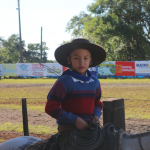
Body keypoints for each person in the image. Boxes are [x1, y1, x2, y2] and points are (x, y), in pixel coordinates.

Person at [45, 38, 106, 150]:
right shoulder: (64, 81)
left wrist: (96, 115)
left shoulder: (95, 82)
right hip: (68, 132)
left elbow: (97, 102)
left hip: (90, 131)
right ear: (69, 60)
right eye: (76, 58)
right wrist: (75, 120)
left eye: (85, 58)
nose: (81, 62)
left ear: (90, 61)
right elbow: (50, 107)